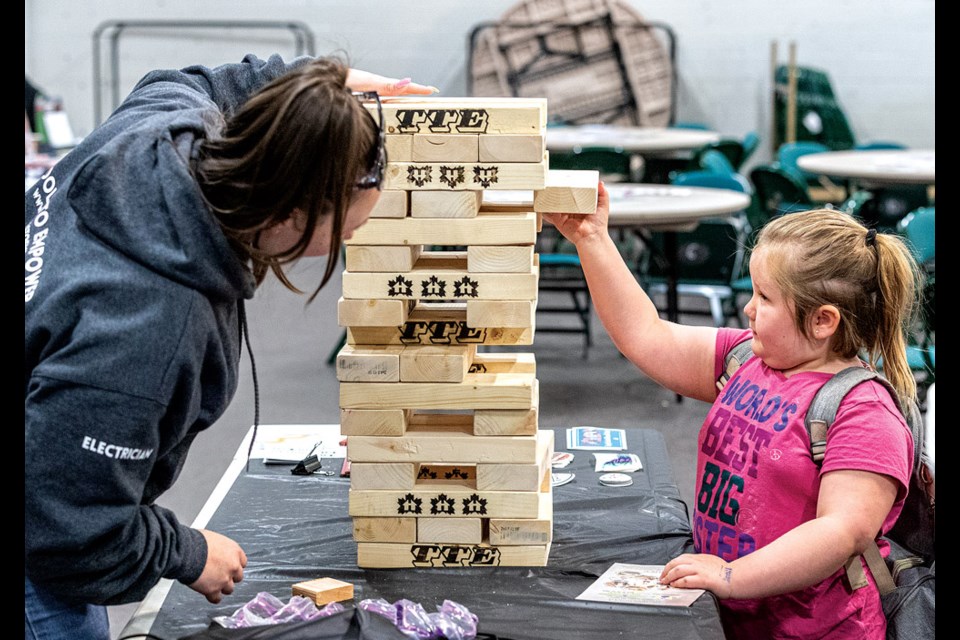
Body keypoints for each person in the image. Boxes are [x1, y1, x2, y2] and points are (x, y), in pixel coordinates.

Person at [25, 53, 434, 640]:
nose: (352, 241)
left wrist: (320, 86)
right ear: (292, 212)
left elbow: (197, 80)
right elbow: (70, 535)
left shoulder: (162, 129)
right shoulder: (147, 331)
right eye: (346, 231)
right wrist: (187, 553)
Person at [545, 188, 919, 639]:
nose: (748, 307)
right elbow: (644, 335)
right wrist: (591, 238)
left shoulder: (864, 412)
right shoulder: (747, 359)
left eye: (765, 297)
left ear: (823, 321)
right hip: (732, 619)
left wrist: (730, 578)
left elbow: (841, 532)